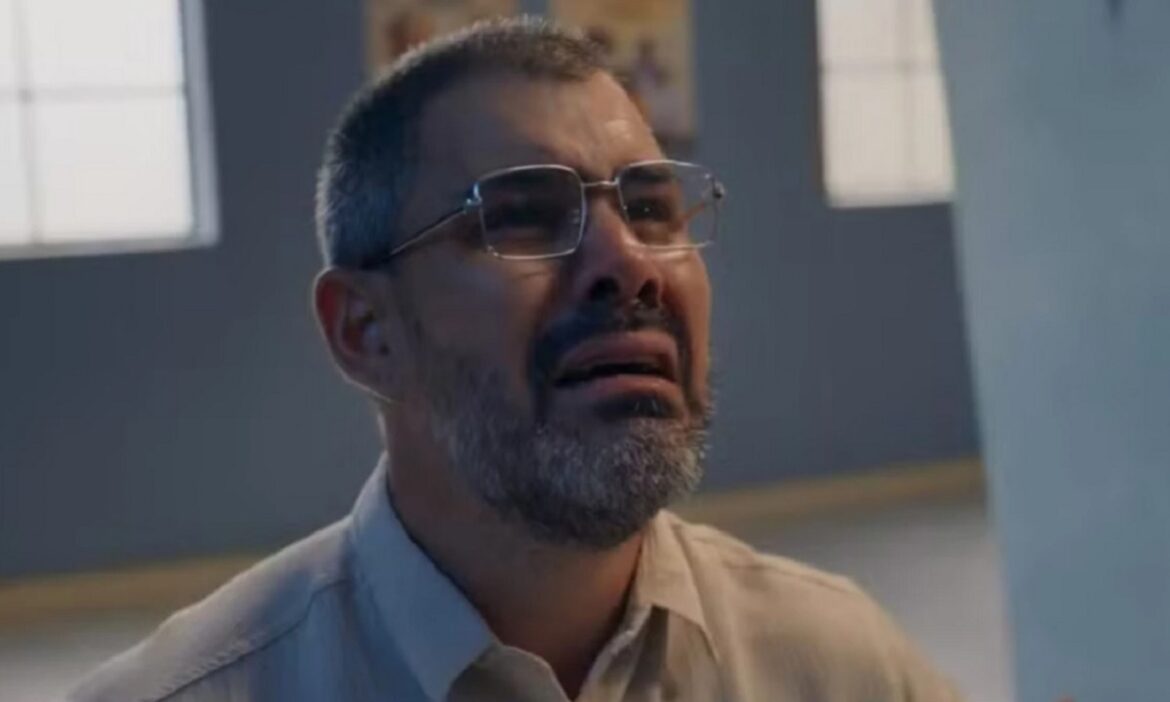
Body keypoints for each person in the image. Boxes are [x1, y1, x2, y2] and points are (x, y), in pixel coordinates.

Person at [70, 17, 963, 702]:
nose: (630, 265)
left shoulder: (840, 668)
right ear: (366, 330)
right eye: (525, 216)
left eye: (652, 209)